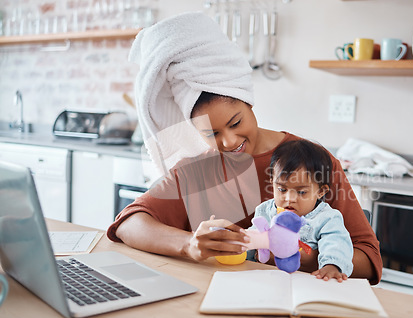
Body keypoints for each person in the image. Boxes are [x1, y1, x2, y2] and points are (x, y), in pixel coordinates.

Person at [107, 12, 382, 284]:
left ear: (248, 102)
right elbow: (128, 224)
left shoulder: (312, 162)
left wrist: (294, 254)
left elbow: (369, 260)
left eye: (235, 122)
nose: (228, 141)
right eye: (211, 133)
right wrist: (189, 244)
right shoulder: (196, 171)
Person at [247, 139, 353, 282]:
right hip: (267, 279)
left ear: (321, 191)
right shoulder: (265, 210)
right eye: (282, 189)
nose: (289, 199)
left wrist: (332, 265)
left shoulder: (327, 218)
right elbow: (251, 238)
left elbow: (336, 243)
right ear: (272, 182)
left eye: (301, 192)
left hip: (305, 282)